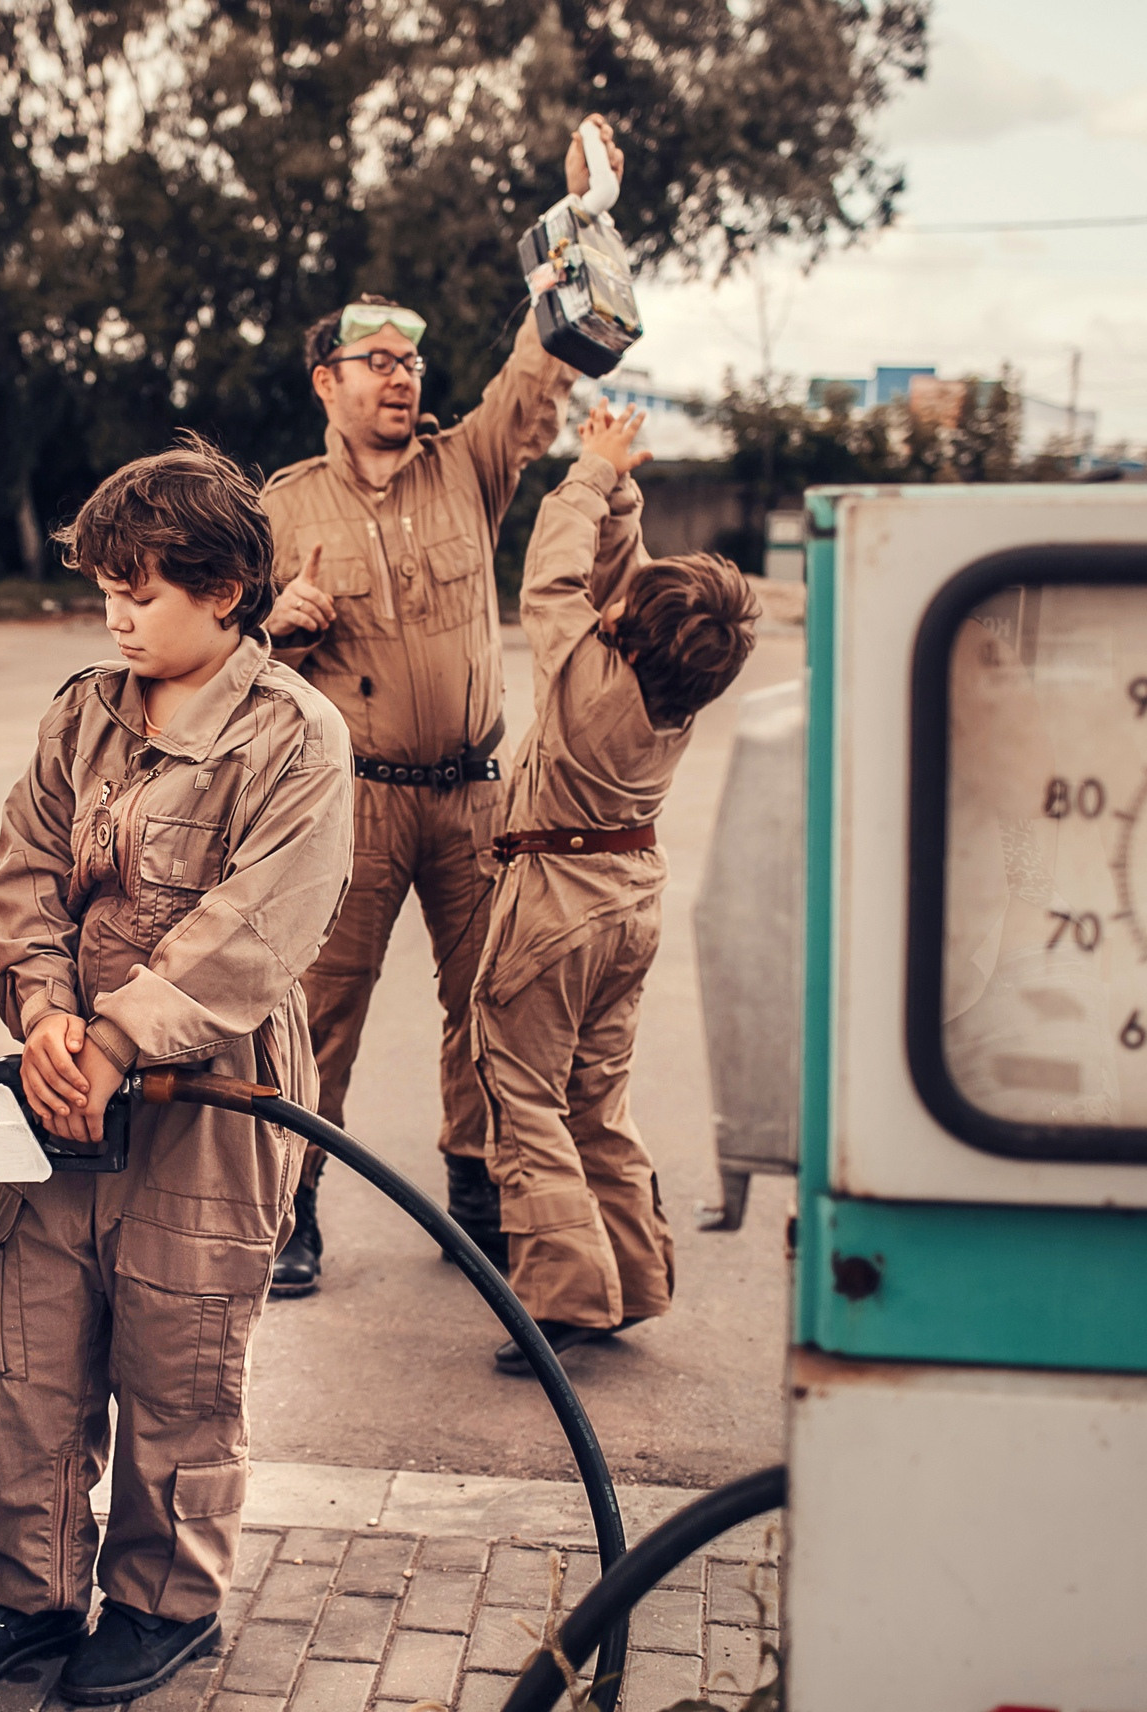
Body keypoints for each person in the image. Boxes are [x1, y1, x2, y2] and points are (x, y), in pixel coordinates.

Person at [0, 437, 353, 1703]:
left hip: (206, 1103)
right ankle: (26, 1596)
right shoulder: (83, 707)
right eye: (103, 587)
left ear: (224, 591)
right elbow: (26, 874)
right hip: (66, 1094)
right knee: (38, 1352)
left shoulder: (295, 737)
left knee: (178, 1363)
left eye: (141, 590)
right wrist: (46, 1017)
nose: (115, 614)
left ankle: (163, 1603)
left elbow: (255, 927)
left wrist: (112, 1042)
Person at [257, 117, 628, 1294]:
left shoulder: (472, 461)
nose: (400, 374)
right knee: (319, 1010)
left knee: (487, 1008)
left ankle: (476, 1198)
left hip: (474, 794)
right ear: (327, 380)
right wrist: (279, 624)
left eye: (410, 360)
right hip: (349, 802)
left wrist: (580, 219)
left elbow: (540, 366)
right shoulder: (280, 503)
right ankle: (290, 1207)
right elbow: (221, 646)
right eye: (375, 360)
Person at [470, 402, 757, 1371]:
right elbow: (624, 582)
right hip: (630, 890)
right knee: (596, 1094)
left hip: (556, 893)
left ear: (626, 639)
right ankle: (634, 1273)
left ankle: (565, 1298)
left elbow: (550, 573)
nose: (612, 604)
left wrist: (587, 474)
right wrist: (620, 481)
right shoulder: (672, 686)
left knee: (522, 1090)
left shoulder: (587, 681)